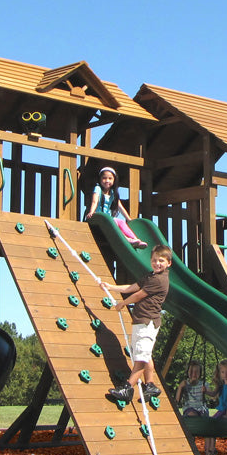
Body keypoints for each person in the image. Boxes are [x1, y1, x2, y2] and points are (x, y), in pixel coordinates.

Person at [103, 244, 172, 403]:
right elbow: (133, 287)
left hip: (148, 322)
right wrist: (111, 287)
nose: (157, 263)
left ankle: (128, 387)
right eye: (154, 260)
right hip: (141, 321)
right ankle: (150, 385)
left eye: (161, 260)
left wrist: (122, 304)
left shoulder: (160, 280)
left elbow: (138, 295)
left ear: (169, 263)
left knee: (140, 355)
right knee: (145, 353)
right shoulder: (151, 276)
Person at [85, 166, 147, 249]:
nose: (107, 181)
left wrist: (128, 219)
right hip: (99, 217)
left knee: (121, 222)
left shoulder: (113, 193)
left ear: (114, 180)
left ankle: (135, 239)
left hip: (108, 218)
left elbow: (120, 207)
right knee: (114, 223)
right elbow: (94, 201)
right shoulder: (98, 189)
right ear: (100, 179)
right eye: (104, 178)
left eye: (110, 178)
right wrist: (91, 212)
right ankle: (126, 239)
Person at [203, 360, 227, 455]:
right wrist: (206, 391)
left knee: (211, 424)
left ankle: (211, 449)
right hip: (222, 410)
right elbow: (214, 394)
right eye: (223, 372)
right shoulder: (221, 384)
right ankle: (208, 449)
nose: (225, 374)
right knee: (210, 425)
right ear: (219, 373)